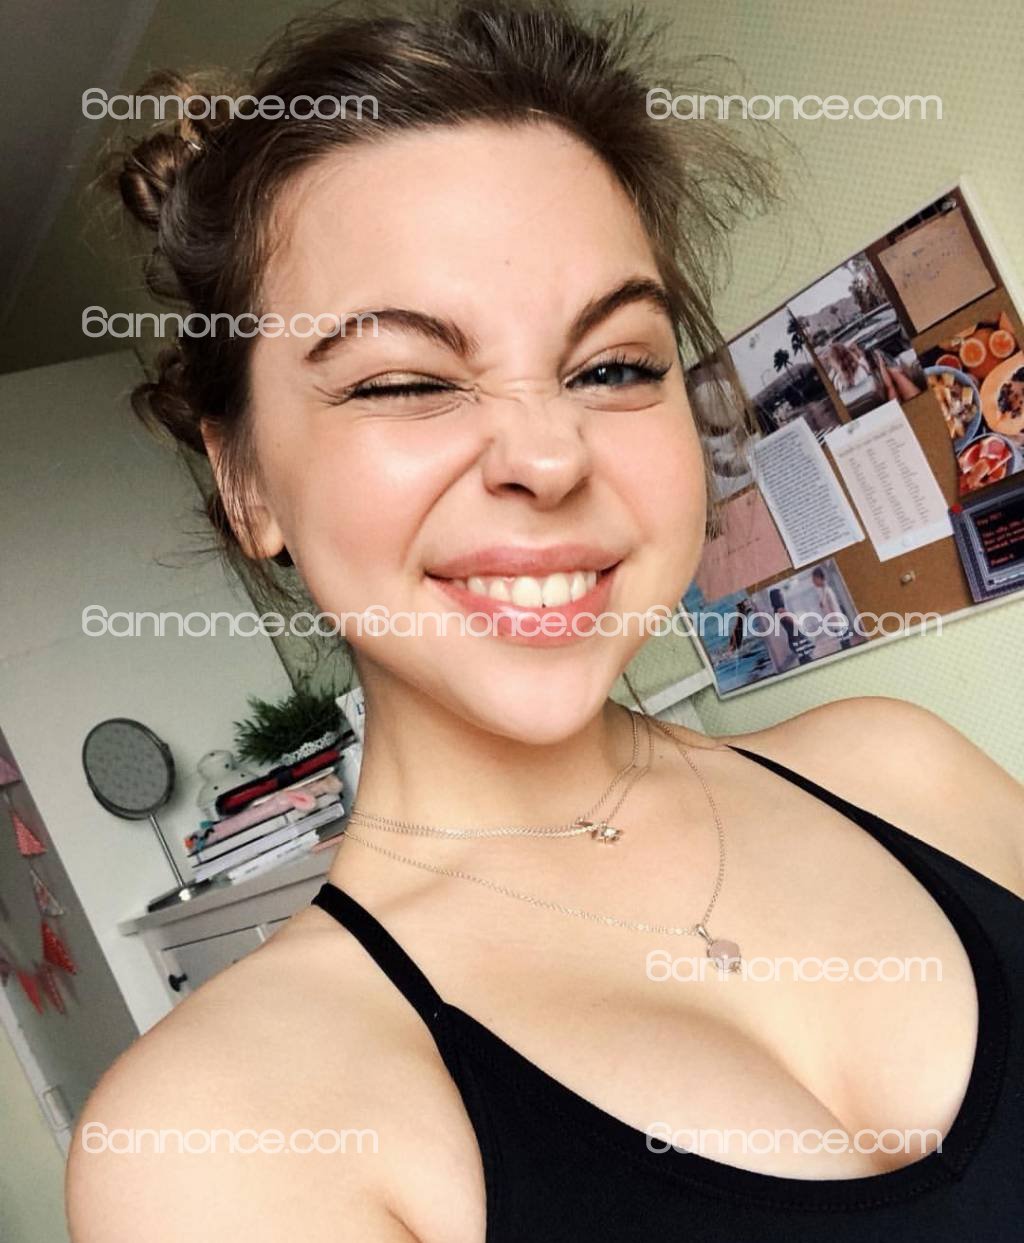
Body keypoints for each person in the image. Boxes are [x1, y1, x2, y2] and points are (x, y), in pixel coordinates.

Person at [68, 5, 1024, 1241]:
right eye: (406, 380)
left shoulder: (903, 768)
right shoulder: (217, 1135)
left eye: (612, 366)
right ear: (246, 481)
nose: (547, 454)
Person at [811, 565, 853, 650]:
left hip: (839, 624)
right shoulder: (823, 591)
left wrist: (838, 625)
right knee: (845, 645)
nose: (814, 583)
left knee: (846, 646)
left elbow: (835, 608)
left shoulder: (827, 591)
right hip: (836, 624)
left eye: (814, 580)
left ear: (819, 578)